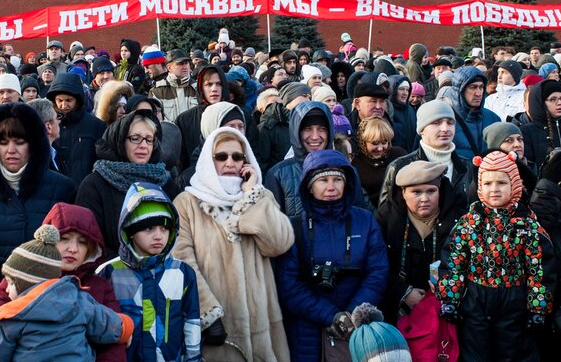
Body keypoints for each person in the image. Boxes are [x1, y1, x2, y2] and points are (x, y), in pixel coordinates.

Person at [0, 102, 76, 342]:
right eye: (3, 142)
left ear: (34, 144)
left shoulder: (62, 187)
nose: (11, 150)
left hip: (42, 298)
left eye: (20, 142)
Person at [173, 127, 293, 362]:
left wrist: (252, 195)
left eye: (237, 156)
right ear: (210, 160)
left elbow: (279, 243)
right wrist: (208, 314)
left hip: (262, 331)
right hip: (218, 332)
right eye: (221, 156)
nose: (230, 162)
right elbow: (182, 261)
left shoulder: (260, 196)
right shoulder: (187, 203)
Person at [275, 149, 389, 362]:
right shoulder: (294, 227)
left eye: (337, 179)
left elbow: (378, 272)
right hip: (307, 331)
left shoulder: (365, 220)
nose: (331, 187)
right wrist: (331, 316)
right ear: (309, 186)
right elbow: (288, 284)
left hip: (356, 328)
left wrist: (353, 313)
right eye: (323, 180)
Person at [438, 150, 550, 362]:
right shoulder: (469, 223)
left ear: (514, 185)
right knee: (475, 353)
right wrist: (450, 299)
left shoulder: (527, 224)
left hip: (514, 302)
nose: (494, 189)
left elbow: (539, 269)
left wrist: (538, 306)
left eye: (501, 183)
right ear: (480, 186)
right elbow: (454, 263)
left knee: (513, 353)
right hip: (475, 302)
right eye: (488, 184)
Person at [0, 202, 128, 362]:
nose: (73, 249)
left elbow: (113, 345)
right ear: (49, 240)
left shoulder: (101, 287)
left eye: (82, 242)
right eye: (64, 238)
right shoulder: (17, 281)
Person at [97, 183, 201, 362]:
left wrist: (193, 358)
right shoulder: (110, 272)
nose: (158, 236)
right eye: (148, 228)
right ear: (129, 231)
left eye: (164, 228)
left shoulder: (182, 272)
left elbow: (191, 322)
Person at [76, 109, 180, 253]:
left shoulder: (165, 183)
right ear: (119, 140)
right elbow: (90, 242)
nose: (143, 145)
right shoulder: (94, 185)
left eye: (149, 139)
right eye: (135, 138)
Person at [376, 160, 462, 322]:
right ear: (403, 193)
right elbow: (374, 263)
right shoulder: (386, 218)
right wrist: (403, 292)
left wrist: (446, 287)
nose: (424, 199)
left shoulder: (457, 219)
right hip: (395, 309)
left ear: (440, 191)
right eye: (416, 192)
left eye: (431, 191)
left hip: (445, 309)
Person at [380, 100, 472, 205]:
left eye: (450, 122)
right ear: (421, 130)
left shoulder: (468, 166)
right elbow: (386, 214)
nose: (445, 129)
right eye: (436, 123)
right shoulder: (399, 167)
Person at [48, 72, 107, 186]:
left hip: (85, 190)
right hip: (54, 191)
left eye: (69, 100)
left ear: (77, 100)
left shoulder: (95, 125)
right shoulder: (48, 125)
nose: (64, 105)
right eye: (59, 100)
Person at [520, 80, 561, 168]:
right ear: (540, 103)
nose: (559, 103)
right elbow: (529, 166)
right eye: (553, 99)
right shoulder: (527, 131)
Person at [176, 65, 231, 168]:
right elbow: (181, 160)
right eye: (209, 84)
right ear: (201, 87)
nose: (214, 89)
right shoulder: (184, 120)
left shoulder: (239, 116)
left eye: (218, 84)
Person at [440, 66, 500, 159]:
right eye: (473, 87)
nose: (478, 93)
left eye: (481, 87)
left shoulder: (493, 118)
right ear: (460, 90)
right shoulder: (444, 121)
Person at [352, 116, 405, 206]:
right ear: (363, 142)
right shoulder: (355, 164)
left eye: (384, 142)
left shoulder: (399, 155)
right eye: (375, 143)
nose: (380, 148)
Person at [149, 49, 198, 123]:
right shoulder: (157, 91)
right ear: (169, 68)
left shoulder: (198, 88)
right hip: (170, 133)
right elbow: (154, 121)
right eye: (180, 63)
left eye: (186, 63)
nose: (185, 66)